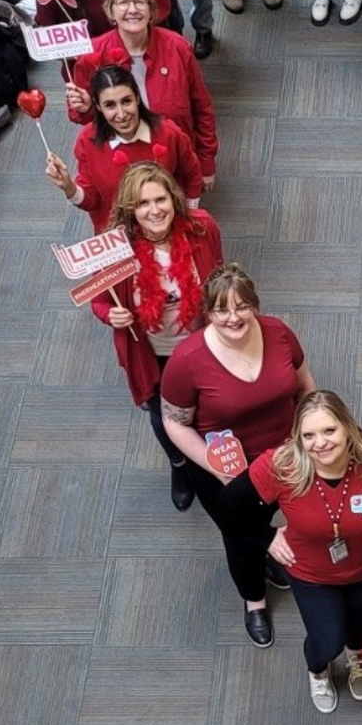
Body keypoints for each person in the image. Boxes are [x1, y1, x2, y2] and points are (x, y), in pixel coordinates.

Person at [223, 391, 362, 714]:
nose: (320, 443)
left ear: (347, 428)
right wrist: (266, 537)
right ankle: (318, 671)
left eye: (329, 430)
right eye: (309, 435)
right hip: (312, 575)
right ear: (298, 439)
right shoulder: (282, 465)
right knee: (327, 641)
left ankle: (358, 658)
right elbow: (229, 506)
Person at [161, 263, 317, 647]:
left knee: (281, 522)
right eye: (222, 311)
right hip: (226, 474)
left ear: (255, 305)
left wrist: (310, 436)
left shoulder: (278, 333)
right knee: (242, 537)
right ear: (208, 314)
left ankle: (267, 556)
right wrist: (218, 468)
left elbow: (305, 388)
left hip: (284, 459)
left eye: (243, 307)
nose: (234, 318)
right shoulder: (187, 360)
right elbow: (175, 423)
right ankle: (254, 601)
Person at [86, 163, 222, 512]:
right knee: (163, 416)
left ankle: (215, 460)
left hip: (201, 343)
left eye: (160, 199)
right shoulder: (116, 249)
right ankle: (180, 466)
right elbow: (99, 301)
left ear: (174, 200)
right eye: (143, 204)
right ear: (131, 211)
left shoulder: (201, 227)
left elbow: (219, 274)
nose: (154, 210)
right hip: (153, 354)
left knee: (211, 404)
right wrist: (110, 315)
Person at [67, 0, 218, 190]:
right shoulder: (92, 56)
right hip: (121, 165)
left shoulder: (178, 47)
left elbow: (202, 108)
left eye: (139, 2)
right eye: (123, 2)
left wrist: (205, 163)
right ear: (110, 11)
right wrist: (87, 107)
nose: (132, 10)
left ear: (151, 10)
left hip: (175, 162)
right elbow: (81, 116)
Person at [44, 65, 202, 231]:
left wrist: (190, 215)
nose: (121, 114)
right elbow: (91, 200)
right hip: (119, 232)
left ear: (137, 98)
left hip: (163, 222)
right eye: (110, 105)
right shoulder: (87, 141)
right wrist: (68, 186)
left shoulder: (169, 133)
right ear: (98, 107)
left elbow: (192, 174)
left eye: (126, 101)